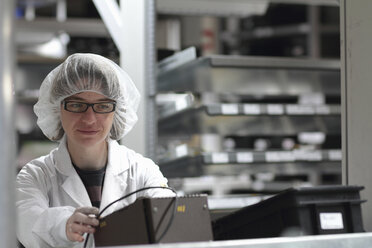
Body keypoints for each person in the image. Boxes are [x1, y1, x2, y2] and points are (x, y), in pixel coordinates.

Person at [16, 53, 174, 248]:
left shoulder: (142, 171)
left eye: (103, 106)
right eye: (76, 105)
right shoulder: (35, 175)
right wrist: (64, 225)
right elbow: (25, 221)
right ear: (57, 108)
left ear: (117, 110)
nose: (89, 119)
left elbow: (170, 223)